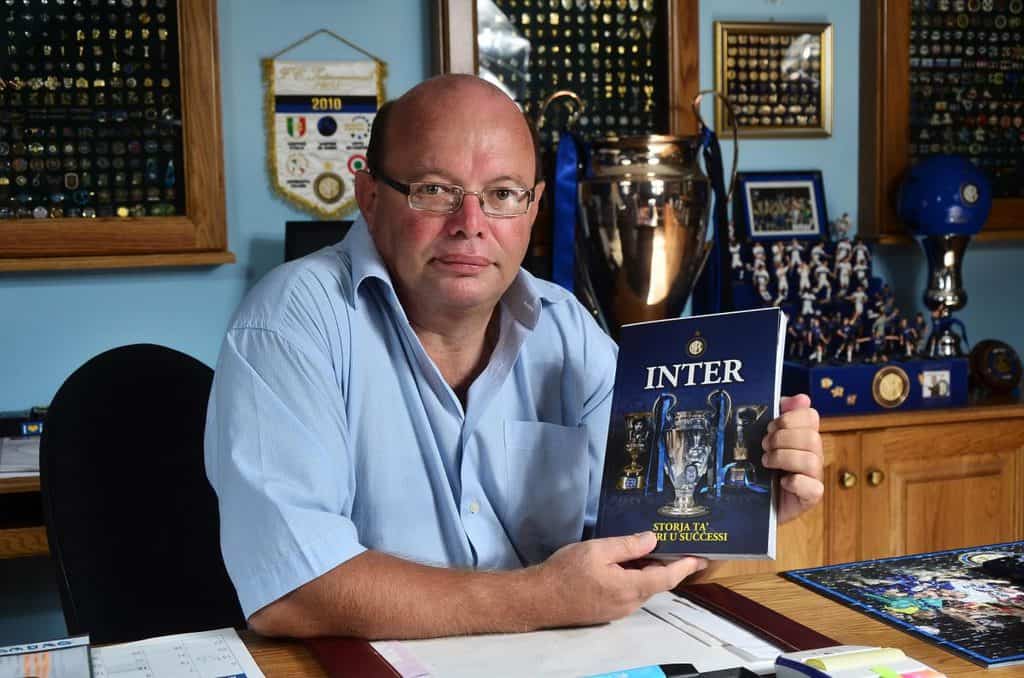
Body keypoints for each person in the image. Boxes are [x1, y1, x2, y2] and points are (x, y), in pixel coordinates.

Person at [204, 75, 825, 641]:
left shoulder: (567, 329)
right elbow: (291, 592)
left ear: (532, 207)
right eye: (435, 191)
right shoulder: (291, 323)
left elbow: (640, 544)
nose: (470, 223)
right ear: (370, 195)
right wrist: (540, 598)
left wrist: (741, 513)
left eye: (501, 194)